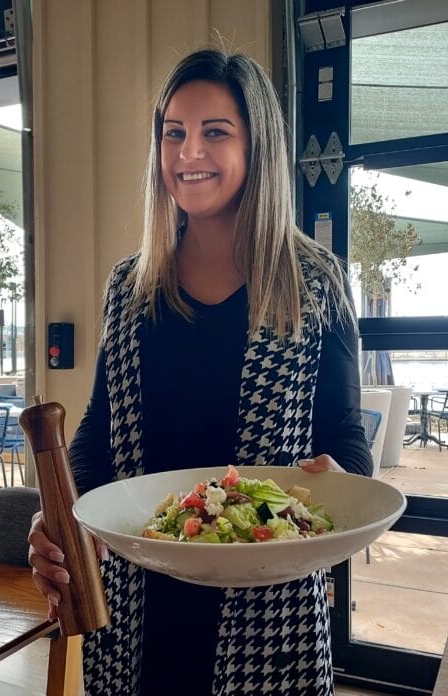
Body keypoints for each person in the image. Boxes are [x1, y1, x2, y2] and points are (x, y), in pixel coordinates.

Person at [28, 48, 373, 696]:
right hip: (134, 616)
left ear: (257, 146)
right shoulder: (129, 286)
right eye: (174, 133)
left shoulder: (314, 281)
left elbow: (344, 436)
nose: (189, 152)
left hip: (270, 620)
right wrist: (57, 519)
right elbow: (100, 433)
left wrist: (341, 485)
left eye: (215, 132)